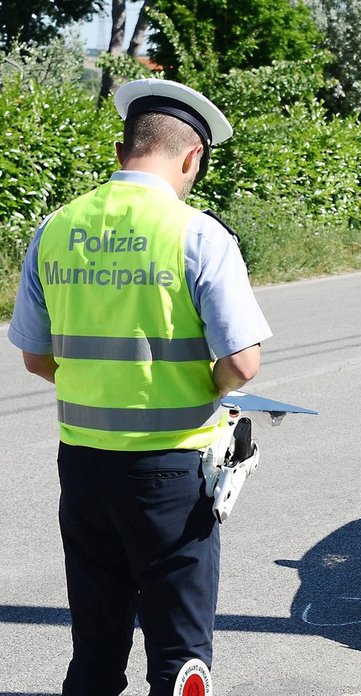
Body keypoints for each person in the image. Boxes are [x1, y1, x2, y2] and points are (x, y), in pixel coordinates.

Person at [7, 78, 272, 696]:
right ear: (190, 157)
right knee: (180, 658)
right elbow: (243, 362)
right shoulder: (199, 235)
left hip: (82, 467)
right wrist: (199, 387)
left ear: (125, 149)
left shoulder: (55, 228)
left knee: (95, 650)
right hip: (169, 474)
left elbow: (35, 358)